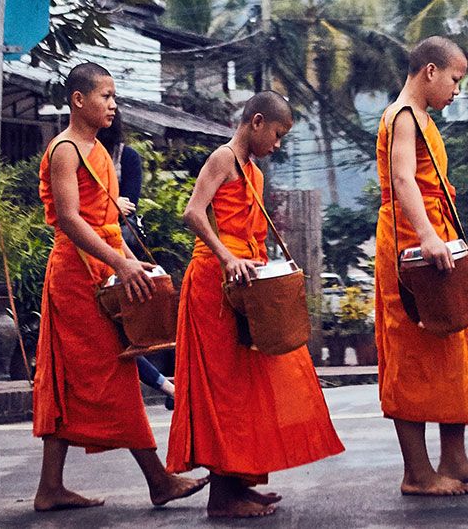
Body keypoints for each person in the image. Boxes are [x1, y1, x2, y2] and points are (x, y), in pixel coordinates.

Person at [31, 62, 206, 512]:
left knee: (73, 381)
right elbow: (70, 219)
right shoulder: (66, 149)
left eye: (114, 97)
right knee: (115, 373)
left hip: (103, 269)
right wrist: (119, 263)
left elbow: (107, 225)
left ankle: (50, 487)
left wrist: (134, 265)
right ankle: (158, 479)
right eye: (105, 96)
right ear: (78, 100)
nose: (113, 105)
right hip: (75, 277)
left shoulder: (100, 152)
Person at [169, 90, 344, 518]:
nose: (278, 145)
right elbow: (193, 213)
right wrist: (228, 257)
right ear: (257, 121)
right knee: (224, 389)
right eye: (279, 135)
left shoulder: (253, 171)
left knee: (254, 384)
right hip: (214, 282)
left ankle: (242, 483)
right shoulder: (222, 158)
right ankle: (223, 498)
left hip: (245, 286)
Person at [373, 36, 468, 497]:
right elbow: (403, 178)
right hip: (412, 242)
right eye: (454, 79)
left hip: (435, 234)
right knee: (411, 352)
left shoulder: (423, 118)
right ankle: (418, 473)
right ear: (430, 71)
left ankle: (455, 458)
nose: (456, 90)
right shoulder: (403, 116)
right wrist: (428, 235)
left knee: (454, 342)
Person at [95, 112, 175, 408]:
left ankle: (167, 387)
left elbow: (127, 208)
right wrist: (112, 204)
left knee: (120, 334)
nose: (110, 108)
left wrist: (111, 207)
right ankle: (167, 387)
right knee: (113, 337)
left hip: (119, 253)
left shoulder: (125, 157)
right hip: (92, 251)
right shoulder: (74, 151)